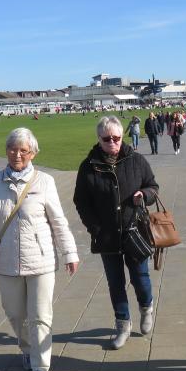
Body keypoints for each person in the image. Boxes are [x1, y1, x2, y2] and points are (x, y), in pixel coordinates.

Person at [0, 128, 79, 371]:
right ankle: (27, 348)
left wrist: (69, 253)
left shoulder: (45, 182)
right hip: (6, 262)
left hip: (40, 261)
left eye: (24, 150)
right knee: (16, 314)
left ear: (33, 153)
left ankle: (41, 368)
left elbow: (59, 222)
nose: (17, 155)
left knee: (40, 316)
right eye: (13, 149)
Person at [74, 116, 159, 350]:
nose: (112, 142)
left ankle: (146, 307)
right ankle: (122, 324)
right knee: (115, 283)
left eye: (117, 138)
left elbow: (153, 185)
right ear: (99, 139)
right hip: (106, 235)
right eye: (107, 139)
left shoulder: (136, 160)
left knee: (140, 278)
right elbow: (81, 201)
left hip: (134, 231)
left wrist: (145, 194)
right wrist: (95, 228)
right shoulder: (88, 166)